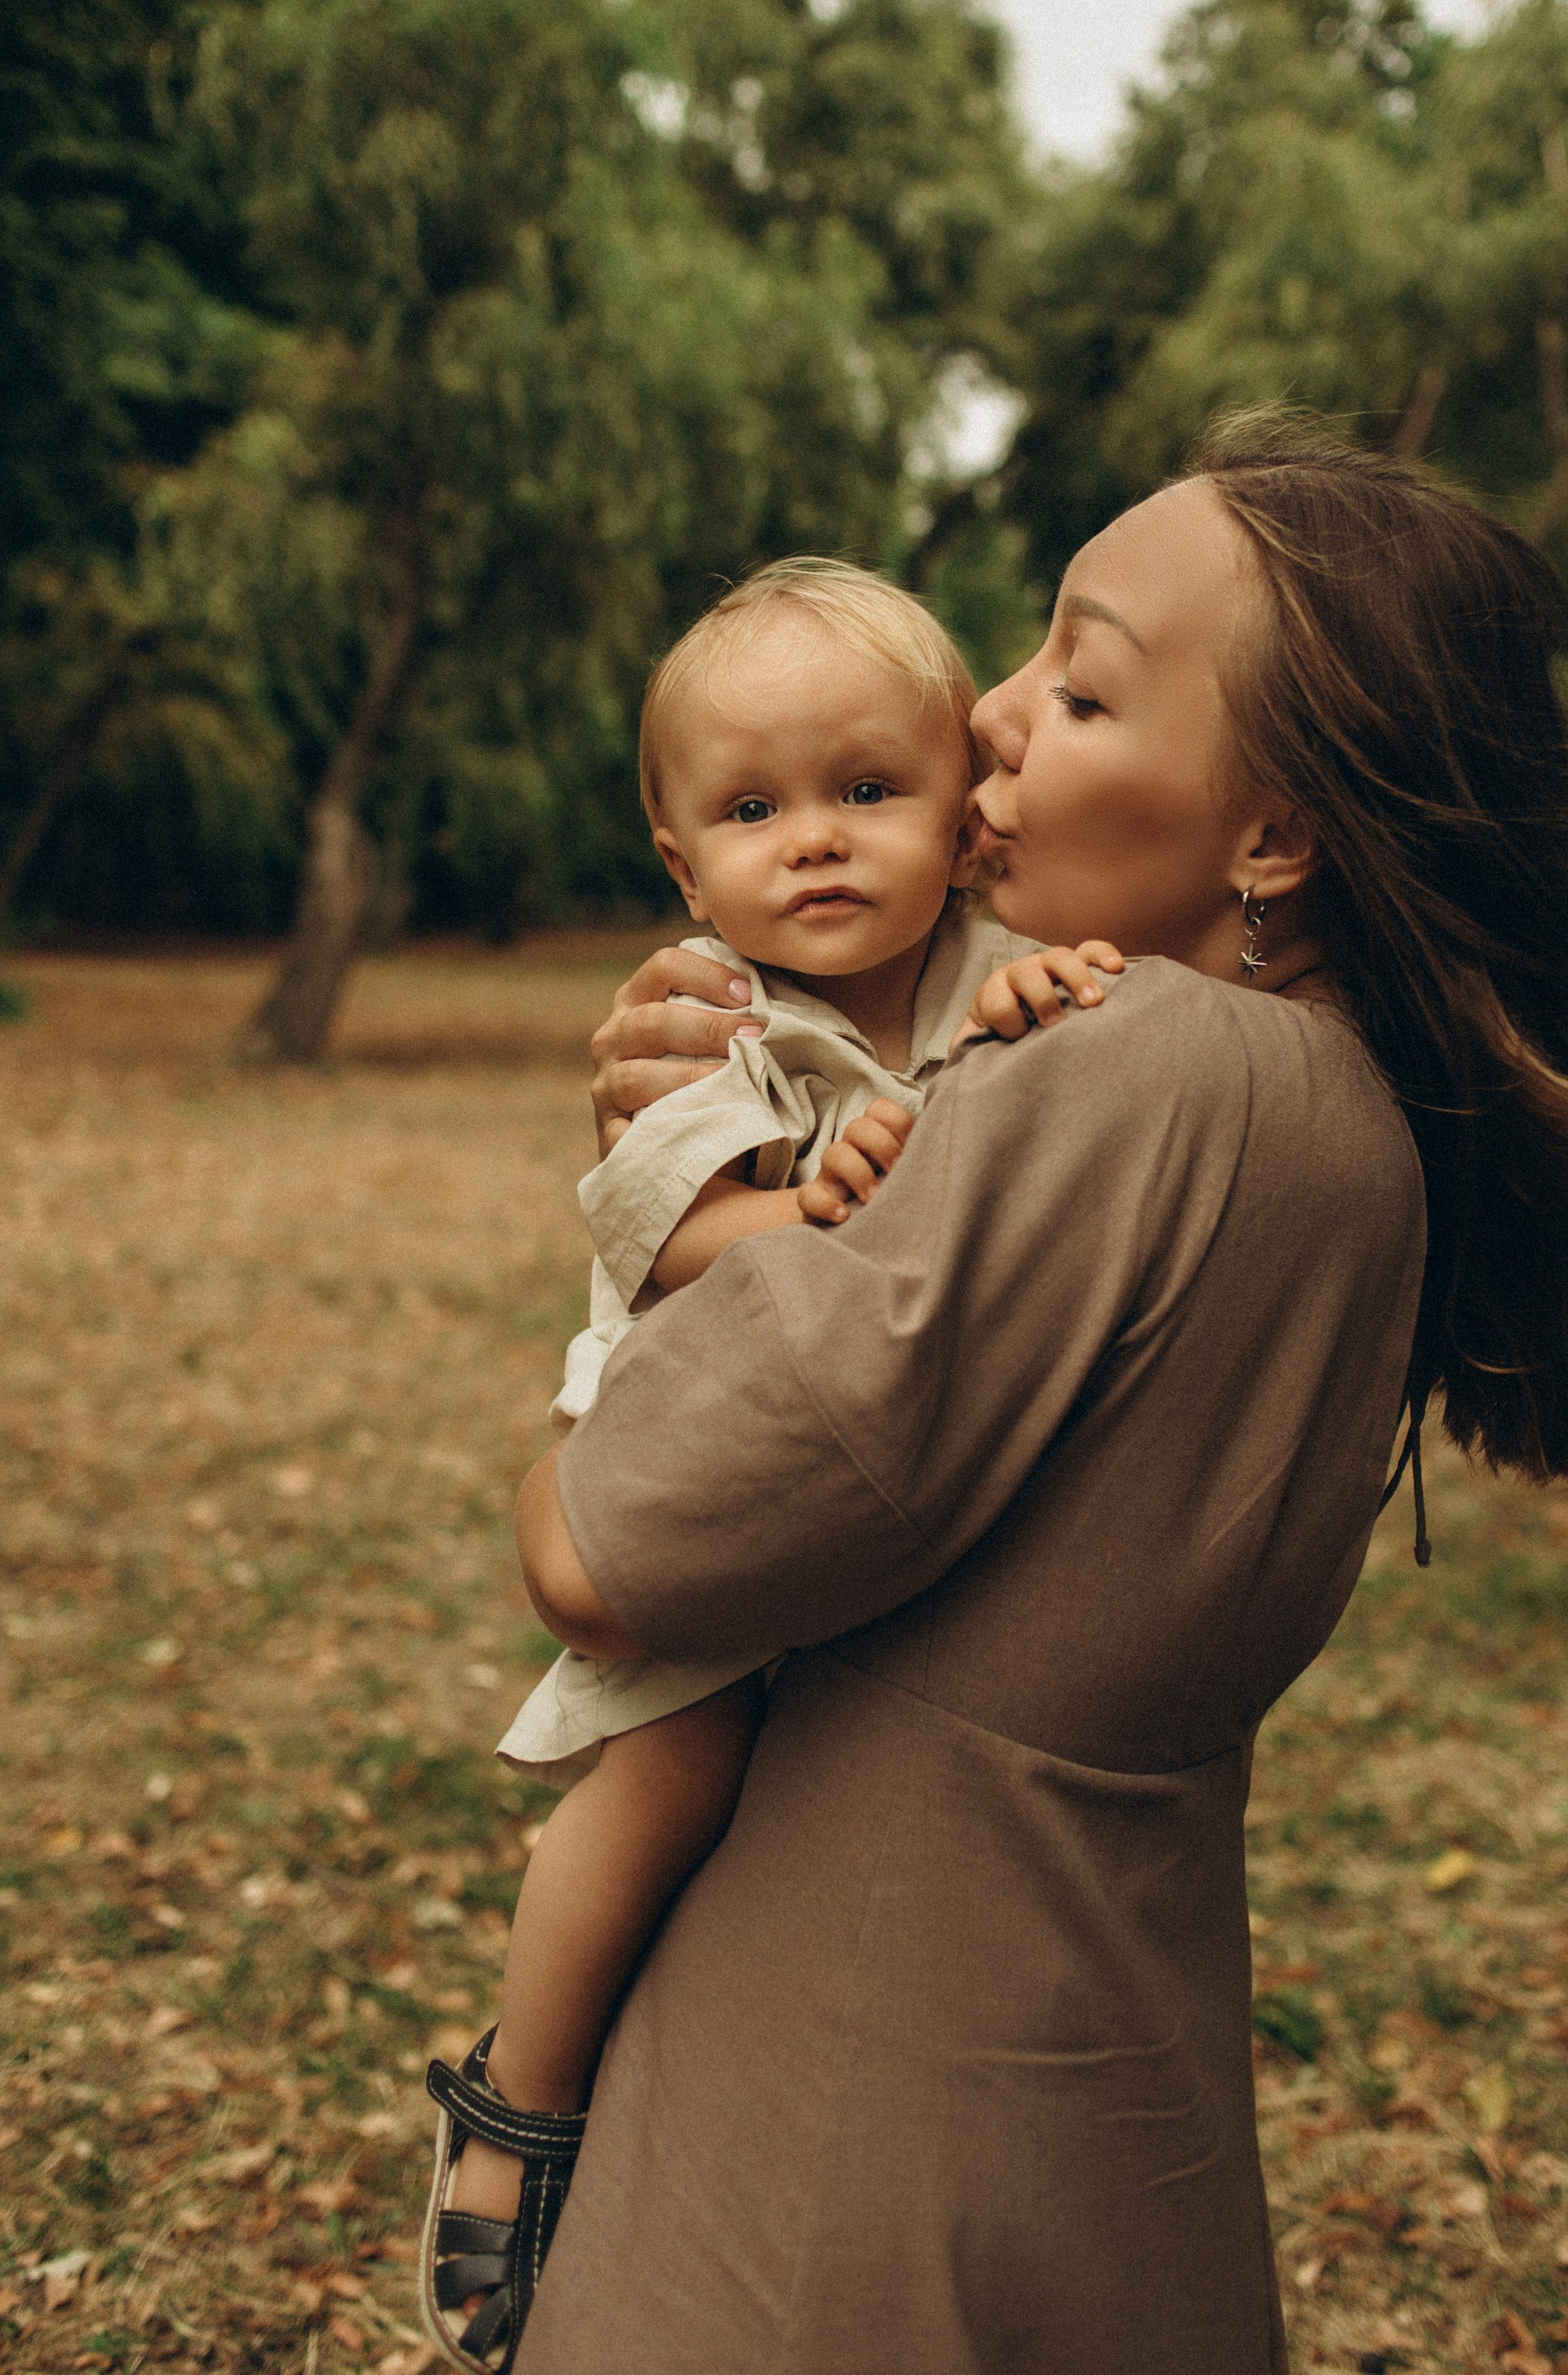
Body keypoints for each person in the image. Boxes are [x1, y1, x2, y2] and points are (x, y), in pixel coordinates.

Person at [510, 416, 1568, 2375]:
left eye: (1082, 688)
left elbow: (599, 1555)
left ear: (1275, 837)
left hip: (842, 2105)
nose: (991, 717)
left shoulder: (1140, 1068)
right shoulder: (1348, 1114)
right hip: (1108, 2069)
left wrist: (658, 1215)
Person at [420, 559, 1116, 2375]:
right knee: (672, 1775)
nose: (812, 839)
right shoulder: (702, 1016)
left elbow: (1043, 1099)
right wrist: (798, 1211)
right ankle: (518, 2108)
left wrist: (1051, 1002)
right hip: (693, 1440)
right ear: (682, 864)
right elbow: (663, 1236)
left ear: (963, 815)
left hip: (879, 1459)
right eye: (752, 811)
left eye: (866, 789)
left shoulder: (988, 976)